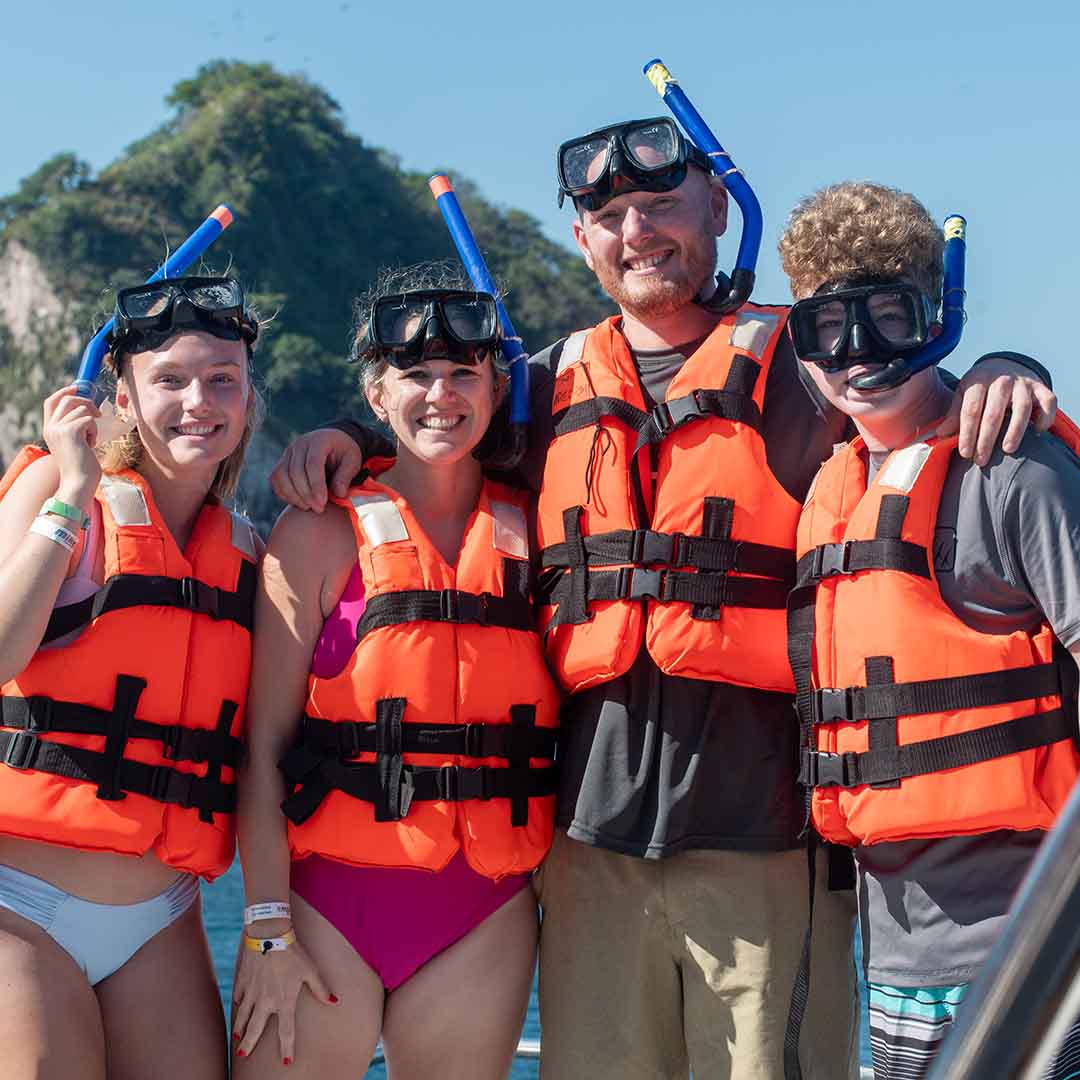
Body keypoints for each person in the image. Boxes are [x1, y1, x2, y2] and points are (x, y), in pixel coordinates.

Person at [270, 120, 1055, 1079]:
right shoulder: (538, 392)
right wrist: (346, 434)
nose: (637, 231)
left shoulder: (809, 366)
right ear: (582, 240)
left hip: (769, 847)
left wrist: (1007, 370)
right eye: (609, 216)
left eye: (659, 204)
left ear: (718, 207)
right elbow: (434, 426)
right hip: (588, 854)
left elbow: (916, 391)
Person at [779, 181, 1080, 1080]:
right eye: (828, 329)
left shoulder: (1015, 471)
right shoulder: (834, 492)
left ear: (938, 317)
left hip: (1042, 951)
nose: (858, 355)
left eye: (888, 319)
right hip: (900, 962)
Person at [232, 265, 560, 1078]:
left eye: (462, 374)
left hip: (482, 915)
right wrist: (266, 928)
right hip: (322, 909)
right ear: (376, 397)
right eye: (415, 375)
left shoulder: (544, 532)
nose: (440, 394)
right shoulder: (313, 535)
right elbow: (262, 747)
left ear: (495, 389)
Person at [0, 275, 263, 1080]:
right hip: (19, 904)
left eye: (222, 379)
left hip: (162, 918)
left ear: (248, 399)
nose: (199, 402)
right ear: (123, 397)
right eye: (170, 380)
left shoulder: (247, 551)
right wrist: (74, 488)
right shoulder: (61, 493)